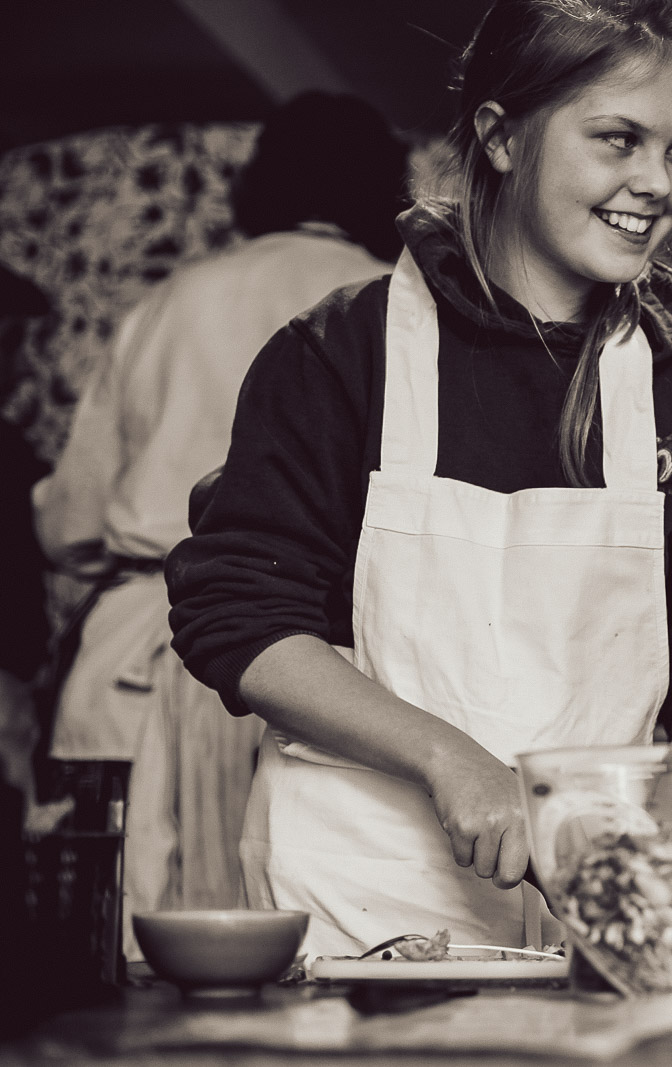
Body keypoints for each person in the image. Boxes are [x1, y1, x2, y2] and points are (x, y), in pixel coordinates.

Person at [166, 0, 672, 959]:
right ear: (502, 138)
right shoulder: (344, 355)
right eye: (618, 139)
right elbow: (241, 616)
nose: (658, 183)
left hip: (600, 910)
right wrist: (452, 760)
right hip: (359, 905)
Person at [31, 91, 409, 959]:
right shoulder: (391, 309)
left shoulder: (167, 303)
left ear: (258, 187)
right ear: (386, 188)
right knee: (313, 941)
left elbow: (72, 524)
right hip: (322, 676)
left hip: (138, 666)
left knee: (112, 950)